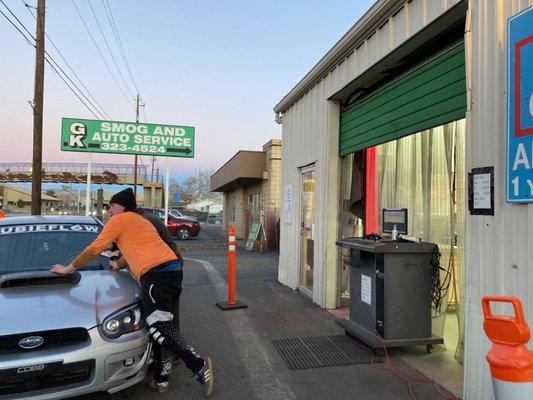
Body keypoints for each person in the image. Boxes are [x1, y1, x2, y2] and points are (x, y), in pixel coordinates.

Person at [50, 188, 213, 396]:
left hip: (156, 275)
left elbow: (94, 248)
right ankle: (162, 378)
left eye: (112, 207)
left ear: (121, 207)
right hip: (172, 271)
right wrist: (118, 265)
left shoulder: (120, 220)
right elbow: (135, 249)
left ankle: (199, 365)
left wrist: (69, 268)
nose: (109, 211)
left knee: (159, 327)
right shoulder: (140, 221)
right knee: (165, 327)